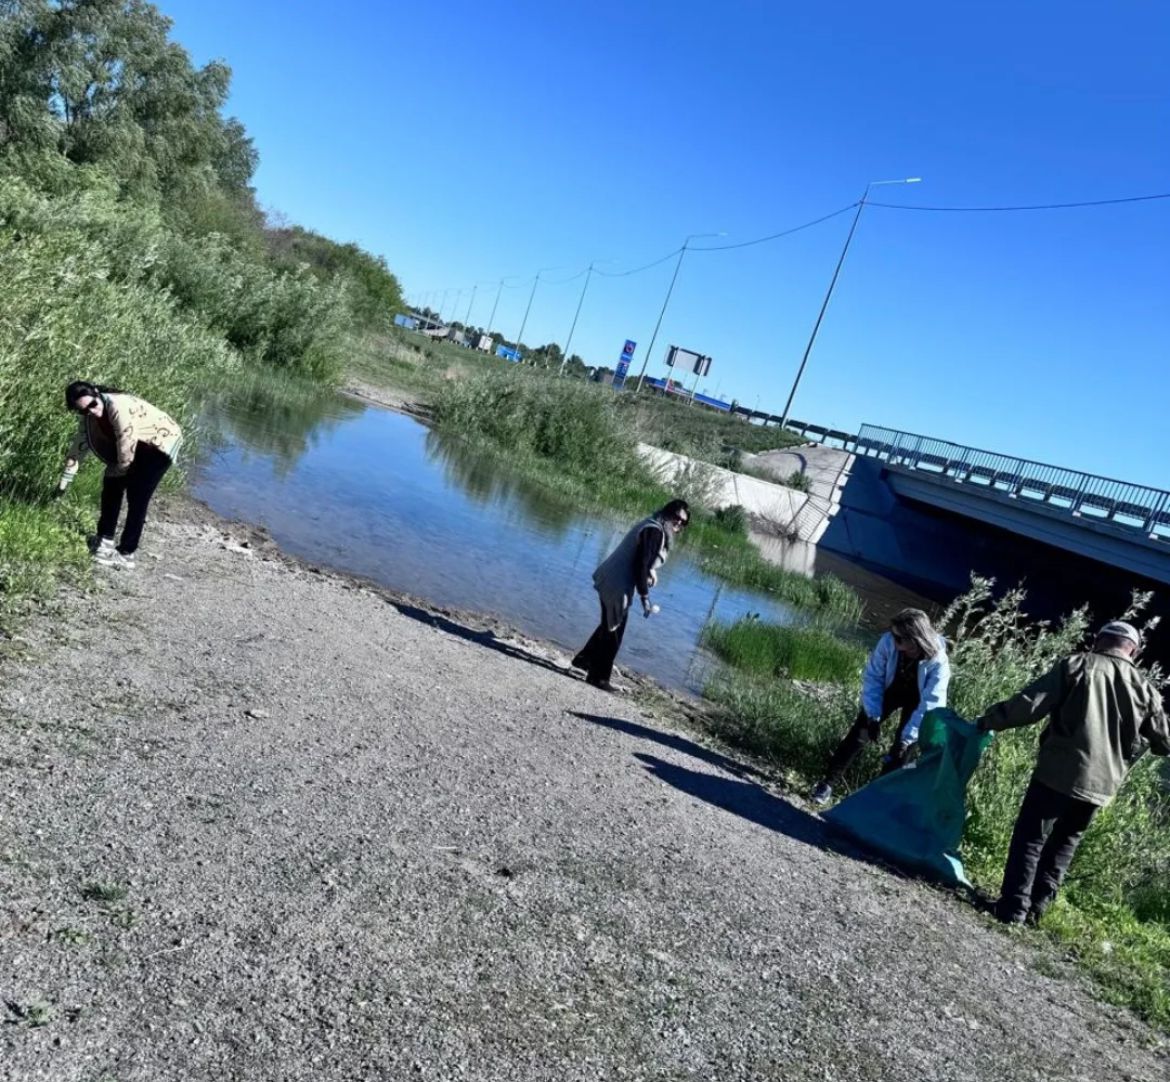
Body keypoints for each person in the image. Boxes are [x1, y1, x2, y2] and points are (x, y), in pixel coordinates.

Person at [976, 620, 1170, 925]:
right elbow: (1164, 742)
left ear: (1099, 639)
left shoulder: (1078, 664)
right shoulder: (1147, 690)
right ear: (1134, 650)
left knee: (1031, 839)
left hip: (1059, 772)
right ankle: (1037, 910)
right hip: (1102, 785)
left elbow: (1030, 704)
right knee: (1065, 843)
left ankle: (1013, 908)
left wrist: (988, 721)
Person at [811, 607, 950, 805]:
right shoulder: (888, 642)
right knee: (859, 734)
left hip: (918, 701)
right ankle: (827, 784)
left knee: (903, 755)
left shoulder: (938, 661)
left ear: (915, 639)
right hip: (890, 689)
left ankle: (877, 801)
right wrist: (872, 716)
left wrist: (906, 739)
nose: (893, 640)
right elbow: (874, 677)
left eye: (899, 638)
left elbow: (930, 705)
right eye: (893, 634)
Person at [56, 381, 183, 570]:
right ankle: (105, 539)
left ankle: (126, 553)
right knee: (110, 486)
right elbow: (78, 448)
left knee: (137, 494)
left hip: (160, 443)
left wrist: (123, 470)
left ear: (97, 394)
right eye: (84, 411)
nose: (91, 412)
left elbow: (126, 440)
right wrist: (63, 484)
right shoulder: (88, 419)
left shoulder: (117, 406)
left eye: (93, 405)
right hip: (138, 444)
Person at [571, 499, 689, 691]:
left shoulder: (652, 524)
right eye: (676, 518)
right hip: (617, 583)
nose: (678, 524)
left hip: (609, 577)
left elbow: (642, 559)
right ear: (667, 513)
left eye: (683, 522)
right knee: (615, 632)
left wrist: (651, 571)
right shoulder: (655, 531)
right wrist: (645, 596)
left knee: (609, 624)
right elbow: (639, 565)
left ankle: (584, 660)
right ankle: (598, 678)